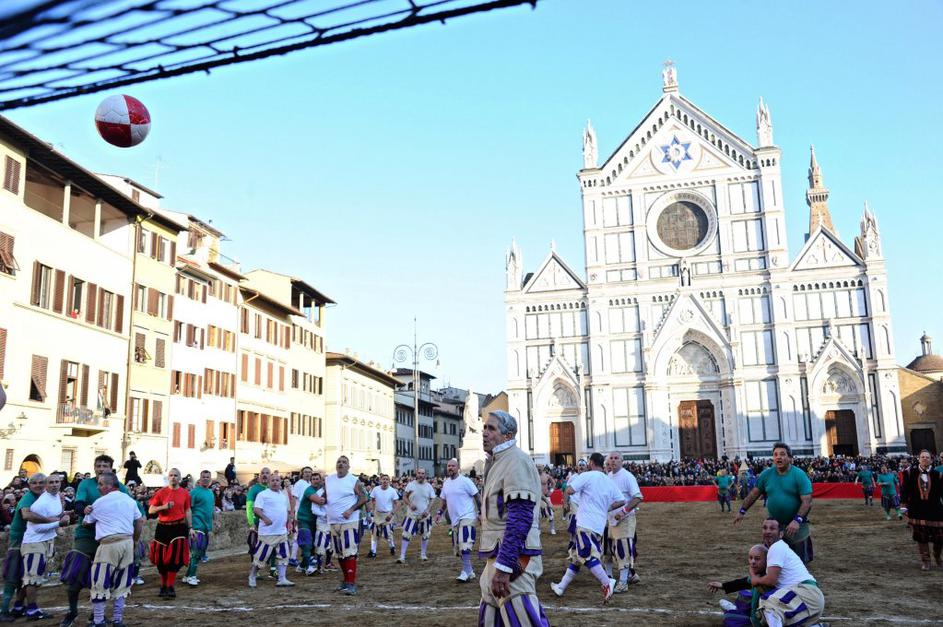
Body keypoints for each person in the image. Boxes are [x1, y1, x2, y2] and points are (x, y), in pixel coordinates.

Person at [478, 411, 549, 626]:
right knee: (490, 620)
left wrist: (505, 566)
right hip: (498, 556)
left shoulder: (516, 461)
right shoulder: (498, 461)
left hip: (515, 558)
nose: (484, 433)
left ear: (508, 435)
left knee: (521, 618)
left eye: (491, 428)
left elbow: (520, 517)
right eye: (484, 428)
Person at [59, 455, 130, 627]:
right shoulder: (86, 484)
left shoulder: (119, 487)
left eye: (105, 466)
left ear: (111, 469)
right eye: (98, 465)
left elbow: (132, 507)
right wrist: (84, 509)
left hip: (109, 539)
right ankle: (72, 612)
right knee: (75, 576)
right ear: (94, 467)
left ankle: (96, 615)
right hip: (86, 535)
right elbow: (78, 505)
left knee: (105, 579)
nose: (101, 468)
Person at [550, 452, 624, 603]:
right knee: (577, 557)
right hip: (598, 525)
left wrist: (569, 489)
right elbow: (621, 500)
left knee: (586, 555)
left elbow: (569, 490)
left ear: (591, 463)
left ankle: (607, 582)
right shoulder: (608, 480)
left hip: (585, 523)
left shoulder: (587, 476)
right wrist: (606, 508)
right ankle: (561, 587)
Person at [83, 472, 144, 627]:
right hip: (127, 543)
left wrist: (87, 512)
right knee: (122, 582)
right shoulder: (129, 500)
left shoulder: (99, 502)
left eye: (101, 484)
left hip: (109, 544)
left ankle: (98, 621)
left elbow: (86, 523)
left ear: (110, 485)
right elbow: (139, 521)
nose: (98, 488)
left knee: (100, 581)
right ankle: (117, 619)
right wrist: (135, 541)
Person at [734, 443, 814, 563]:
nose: (778, 457)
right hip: (774, 525)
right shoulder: (766, 475)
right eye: (775, 454)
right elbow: (753, 494)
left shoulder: (799, 475)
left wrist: (797, 520)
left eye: (782, 454)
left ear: (790, 458)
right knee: (771, 560)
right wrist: (742, 511)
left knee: (799, 562)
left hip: (796, 524)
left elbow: (807, 501)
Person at [747, 521, 826, 626]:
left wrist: (755, 579)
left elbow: (770, 580)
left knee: (768, 604)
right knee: (774, 614)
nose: (768, 531)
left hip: (806, 594)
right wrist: (726, 586)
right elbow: (749, 581)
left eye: (772, 528)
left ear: (781, 534)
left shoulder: (776, 547)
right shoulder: (778, 553)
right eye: (765, 528)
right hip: (810, 600)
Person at [20, 474, 69, 620]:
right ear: (46, 485)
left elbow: (57, 515)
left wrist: (63, 517)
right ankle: (31, 610)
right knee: (32, 578)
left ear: (60, 483)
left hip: (45, 541)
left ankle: (18, 605)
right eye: (51, 482)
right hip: (34, 542)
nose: (54, 484)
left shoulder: (57, 497)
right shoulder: (41, 503)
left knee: (35, 577)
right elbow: (36, 528)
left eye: (57, 482)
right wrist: (59, 523)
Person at [0, 474, 46, 622]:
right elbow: (26, 515)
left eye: (41, 482)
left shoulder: (41, 497)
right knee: (13, 574)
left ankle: (18, 606)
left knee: (25, 573)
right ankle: (4, 610)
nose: (38, 485)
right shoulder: (28, 497)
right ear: (30, 485)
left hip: (29, 539)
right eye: (35, 483)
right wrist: (53, 521)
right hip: (19, 539)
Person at [320, 456, 367, 594]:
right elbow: (326, 495)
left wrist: (351, 510)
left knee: (349, 551)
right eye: (339, 462)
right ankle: (346, 581)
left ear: (348, 466)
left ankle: (351, 583)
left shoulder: (353, 480)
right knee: (339, 553)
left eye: (344, 462)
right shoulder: (329, 480)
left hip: (349, 521)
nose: (341, 464)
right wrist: (322, 500)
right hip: (333, 521)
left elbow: (364, 497)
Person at [148, 468, 192, 599]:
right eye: (171, 475)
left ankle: (170, 586)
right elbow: (151, 510)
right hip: (163, 527)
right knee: (161, 559)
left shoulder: (185, 493)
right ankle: (163, 586)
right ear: (168, 477)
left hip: (179, 527)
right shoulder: (161, 492)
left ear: (180, 478)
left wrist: (190, 527)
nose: (173, 477)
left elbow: (188, 511)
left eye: (176, 475)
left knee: (174, 558)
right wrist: (163, 507)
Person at [436, 458, 480, 582]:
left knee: (465, 544)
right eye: (448, 466)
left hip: (467, 516)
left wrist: (481, 512)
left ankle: (464, 572)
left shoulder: (465, 481)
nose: (450, 468)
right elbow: (444, 501)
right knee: (458, 547)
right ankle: (469, 571)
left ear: (458, 468)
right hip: (455, 520)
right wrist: (439, 513)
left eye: (453, 466)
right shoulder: (446, 483)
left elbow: (477, 496)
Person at [605, 451, 642, 593]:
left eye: (616, 458)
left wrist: (623, 512)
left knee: (623, 550)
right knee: (608, 550)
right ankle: (614, 578)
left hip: (625, 519)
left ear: (622, 461)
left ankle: (623, 582)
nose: (613, 461)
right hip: (610, 519)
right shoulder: (608, 476)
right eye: (611, 458)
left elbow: (637, 497)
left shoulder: (627, 476)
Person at [248, 472, 294, 588]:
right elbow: (256, 509)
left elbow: (286, 511)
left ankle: (282, 578)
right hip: (267, 532)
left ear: (280, 482)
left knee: (284, 555)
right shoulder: (263, 494)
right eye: (272, 480)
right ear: (268, 483)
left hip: (281, 531)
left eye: (277, 480)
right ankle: (252, 576)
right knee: (261, 556)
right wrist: (265, 518)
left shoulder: (282, 495)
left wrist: (289, 522)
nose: (275, 482)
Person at [900, 449, 943, 570]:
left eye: (927, 457)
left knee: (940, 537)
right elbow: (904, 490)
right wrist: (903, 505)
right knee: (921, 537)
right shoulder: (909, 473)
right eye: (923, 457)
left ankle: (937, 556)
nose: (925, 459)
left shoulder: (938, 475)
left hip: (935, 509)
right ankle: (926, 561)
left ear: (931, 460)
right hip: (917, 508)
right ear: (919, 459)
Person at [183, 470, 216, 586]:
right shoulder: (194, 492)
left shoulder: (211, 493)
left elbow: (211, 508)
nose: (205, 479)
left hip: (206, 527)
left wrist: (215, 520)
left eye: (207, 477)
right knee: (196, 552)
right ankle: (192, 576)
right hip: (197, 526)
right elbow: (188, 509)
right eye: (203, 477)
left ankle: (187, 575)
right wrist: (190, 527)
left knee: (200, 552)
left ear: (210, 479)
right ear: (200, 479)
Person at [398, 467, 436, 563]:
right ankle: (402, 556)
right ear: (416, 473)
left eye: (422, 473)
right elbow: (404, 497)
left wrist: (428, 510)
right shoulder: (410, 485)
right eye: (419, 473)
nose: (420, 475)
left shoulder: (429, 486)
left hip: (424, 515)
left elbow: (433, 499)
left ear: (425, 475)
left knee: (425, 535)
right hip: (412, 515)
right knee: (406, 535)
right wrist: (410, 504)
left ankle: (423, 554)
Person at [368, 474, 400, 559]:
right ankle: (373, 551)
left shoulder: (392, 491)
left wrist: (392, 514)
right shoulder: (375, 489)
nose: (385, 481)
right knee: (374, 533)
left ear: (389, 481)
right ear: (380, 480)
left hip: (387, 515)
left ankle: (392, 547)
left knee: (388, 534)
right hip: (377, 514)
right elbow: (372, 500)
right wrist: (371, 511)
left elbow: (397, 504)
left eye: (386, 479)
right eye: (383, 479)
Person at [289, 467, 313, 567]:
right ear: (302, 474)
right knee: (297, 535)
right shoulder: (299, 483)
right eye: (306, 472)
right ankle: (293, 558)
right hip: (300, 513)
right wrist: (292, 512)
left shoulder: (310, 483)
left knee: (307, 535)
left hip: (309, 514)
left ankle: (306, 556)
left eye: (309, 472)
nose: (307, 474)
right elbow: (294, 498)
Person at [538, 466, 556, 536]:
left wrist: (551, 491)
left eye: (540, 468)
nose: (539, 469)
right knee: (538, 514)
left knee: (550, 513)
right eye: (538, 467)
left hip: (546, 495)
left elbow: (553, 483)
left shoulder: (546, 476)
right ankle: (538, 529)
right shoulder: (534, 475)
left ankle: (552, 529)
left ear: (543, 469)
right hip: (538, 497)